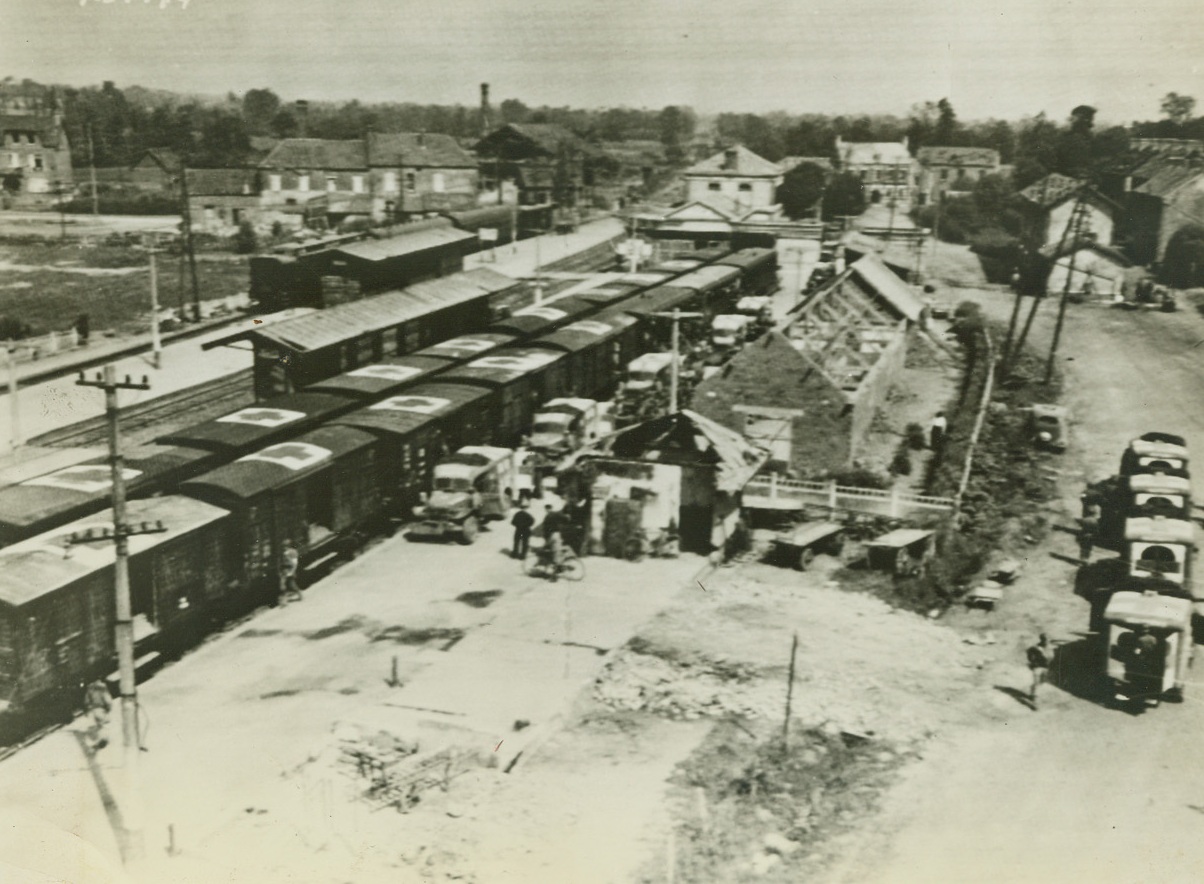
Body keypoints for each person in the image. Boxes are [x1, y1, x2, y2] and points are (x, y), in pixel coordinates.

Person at [83, 679, 112, 751]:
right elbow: (108, 699)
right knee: (102, 726)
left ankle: (98, 743)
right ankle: (100, 743)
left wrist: (88, 708)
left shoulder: (90, 688)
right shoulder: (102, 687)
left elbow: (86, 700)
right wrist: (109, 708)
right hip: (101, 709)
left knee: (99, 726)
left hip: (94, 709)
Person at [1026, 633, 1053, 708]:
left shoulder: (1050, 647)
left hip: (1046, 667)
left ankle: (1032, 690)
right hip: (1037, 667)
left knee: (1042, 681)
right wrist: (1033, 663)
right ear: (1042, 640)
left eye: (1048, 639)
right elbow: (1029, 653)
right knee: (1037, 683)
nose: (1047, 641)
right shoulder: (1036, 648)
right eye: (1045, 639)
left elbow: (1051, 657)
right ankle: (1035, 702)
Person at [279, 540, 302, 604]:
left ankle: (300, 595)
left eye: (285, 546)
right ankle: (284, 600)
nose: (284, 547)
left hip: (290, 569)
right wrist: (280, 571)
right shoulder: (283, 553)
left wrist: (292, 571)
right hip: (284, 570)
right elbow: (281, 563)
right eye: (283, 546)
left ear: (289, 545)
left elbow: (295, 563)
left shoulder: (293, 552)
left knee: (292, 584)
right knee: (282, 584)